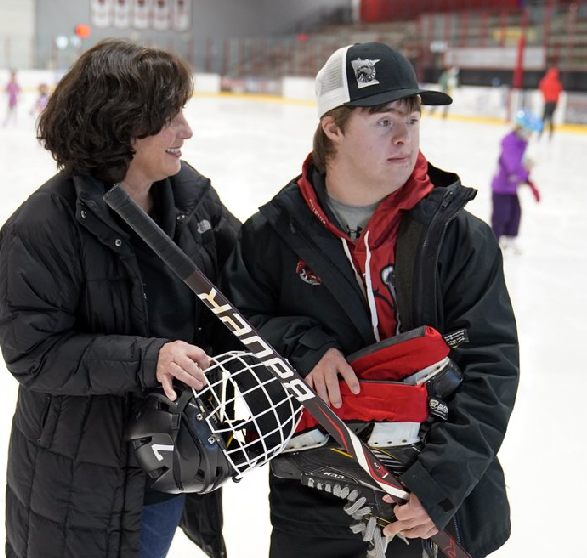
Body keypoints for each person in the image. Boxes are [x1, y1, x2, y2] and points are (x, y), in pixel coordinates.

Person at [223, 42, 520, 558]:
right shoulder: (270, 235)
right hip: (316, 505)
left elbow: (491, 367)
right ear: (332, 127)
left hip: (435, 510)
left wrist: (439, 487)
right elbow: (234, 327)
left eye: (412, 117)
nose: (404, 136)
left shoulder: (458, 237)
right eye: (383, 121)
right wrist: (301, 344)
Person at [0, 39, 239, 558]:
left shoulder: (190, 198)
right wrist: (151, 359)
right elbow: (33, 354)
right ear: (126, 126)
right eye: (170, 117)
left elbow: (246, 282)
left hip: (166, 470)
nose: (186, 131)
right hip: (80, 489)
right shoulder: (41, 229)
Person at [491, 110, 543, 254]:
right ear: (521, 128)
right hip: (501, 187)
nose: (531, 135)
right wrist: (526, 177)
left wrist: (526, 164)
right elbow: (512, 166)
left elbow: (517, 162)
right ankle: (494, 242)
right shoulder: (510, 142)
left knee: (515, 213)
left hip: (511, 187)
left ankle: (510, 240)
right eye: (530, 131)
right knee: (501, 216)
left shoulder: (521, 142)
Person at [538, 67, 562, 139]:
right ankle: (551, 134)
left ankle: (540, 133)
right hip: (554, 102)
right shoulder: (557, 82)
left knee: (543, 118)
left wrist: (545, 97)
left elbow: (541, 88)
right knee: (551, 118)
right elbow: (559, 92)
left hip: (547, 101)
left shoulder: (545, 81)